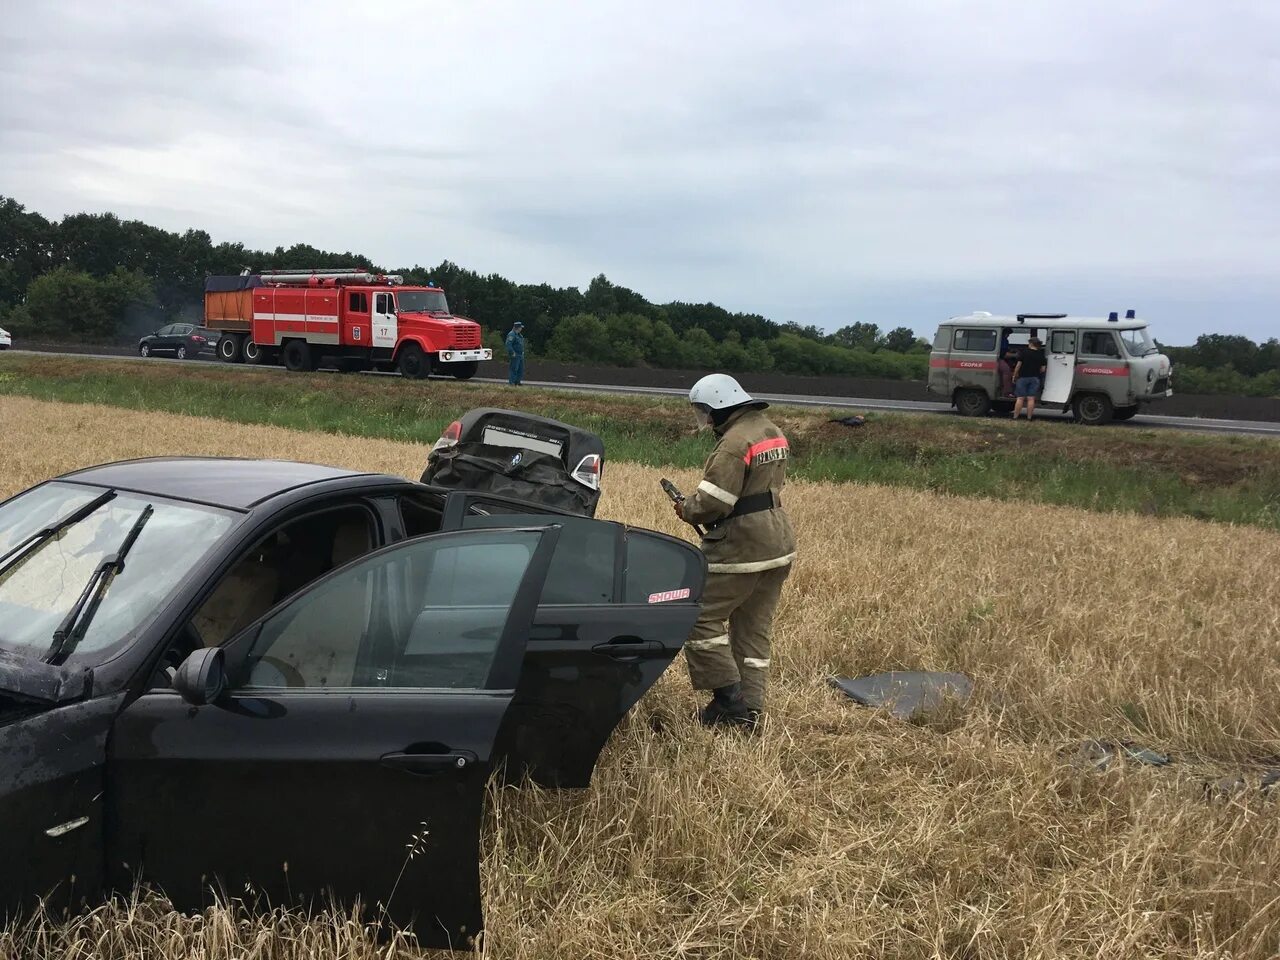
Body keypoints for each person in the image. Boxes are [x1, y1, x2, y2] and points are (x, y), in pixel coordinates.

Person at [673, 374, 797, 730]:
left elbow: (714, 502)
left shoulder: (733, 442)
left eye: (706, 412)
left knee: (698, 614)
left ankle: (729, 701)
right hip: (778, 543)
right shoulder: (769, 429)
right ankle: (751, 709)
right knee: (753, 630)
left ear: (720, 406)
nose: (706, 420)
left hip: (743, 545)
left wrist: (688, 509)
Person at [1012, 336, 1047, 420]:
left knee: (1020, 398)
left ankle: (1015, 417)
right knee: (1031, 398)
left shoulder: (1024, 352)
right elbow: (1043, 369)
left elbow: (1018, 366)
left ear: (1031, 343)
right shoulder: (1040, 354)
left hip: (1023, 377)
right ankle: (1029, 418)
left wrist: (1014, 375)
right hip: (1035, 378)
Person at [504, 321, 525, 386]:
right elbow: (508, 344)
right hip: (515, 354)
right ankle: (512, 382)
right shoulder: (511, 334)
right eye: (520, 327)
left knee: (520, 369)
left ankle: (517, 381)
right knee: (514, 368)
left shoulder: (519, 335)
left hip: (520, 354)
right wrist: (512, 352)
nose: (521, 329)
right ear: (517, 328)